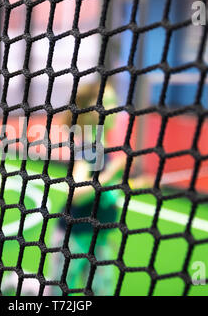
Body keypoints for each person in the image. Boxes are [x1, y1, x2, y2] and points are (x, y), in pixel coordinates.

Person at [53, 81, 152, 295]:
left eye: (114, 102)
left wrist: (134, 185)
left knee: (102, 290)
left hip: (99, 238)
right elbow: (77, 194)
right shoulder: (90, 150)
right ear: (91, 113)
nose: (114, 108)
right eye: (106, 103)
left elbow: (102, 192)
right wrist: (112, 172)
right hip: (74, 237)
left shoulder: (104, 149)